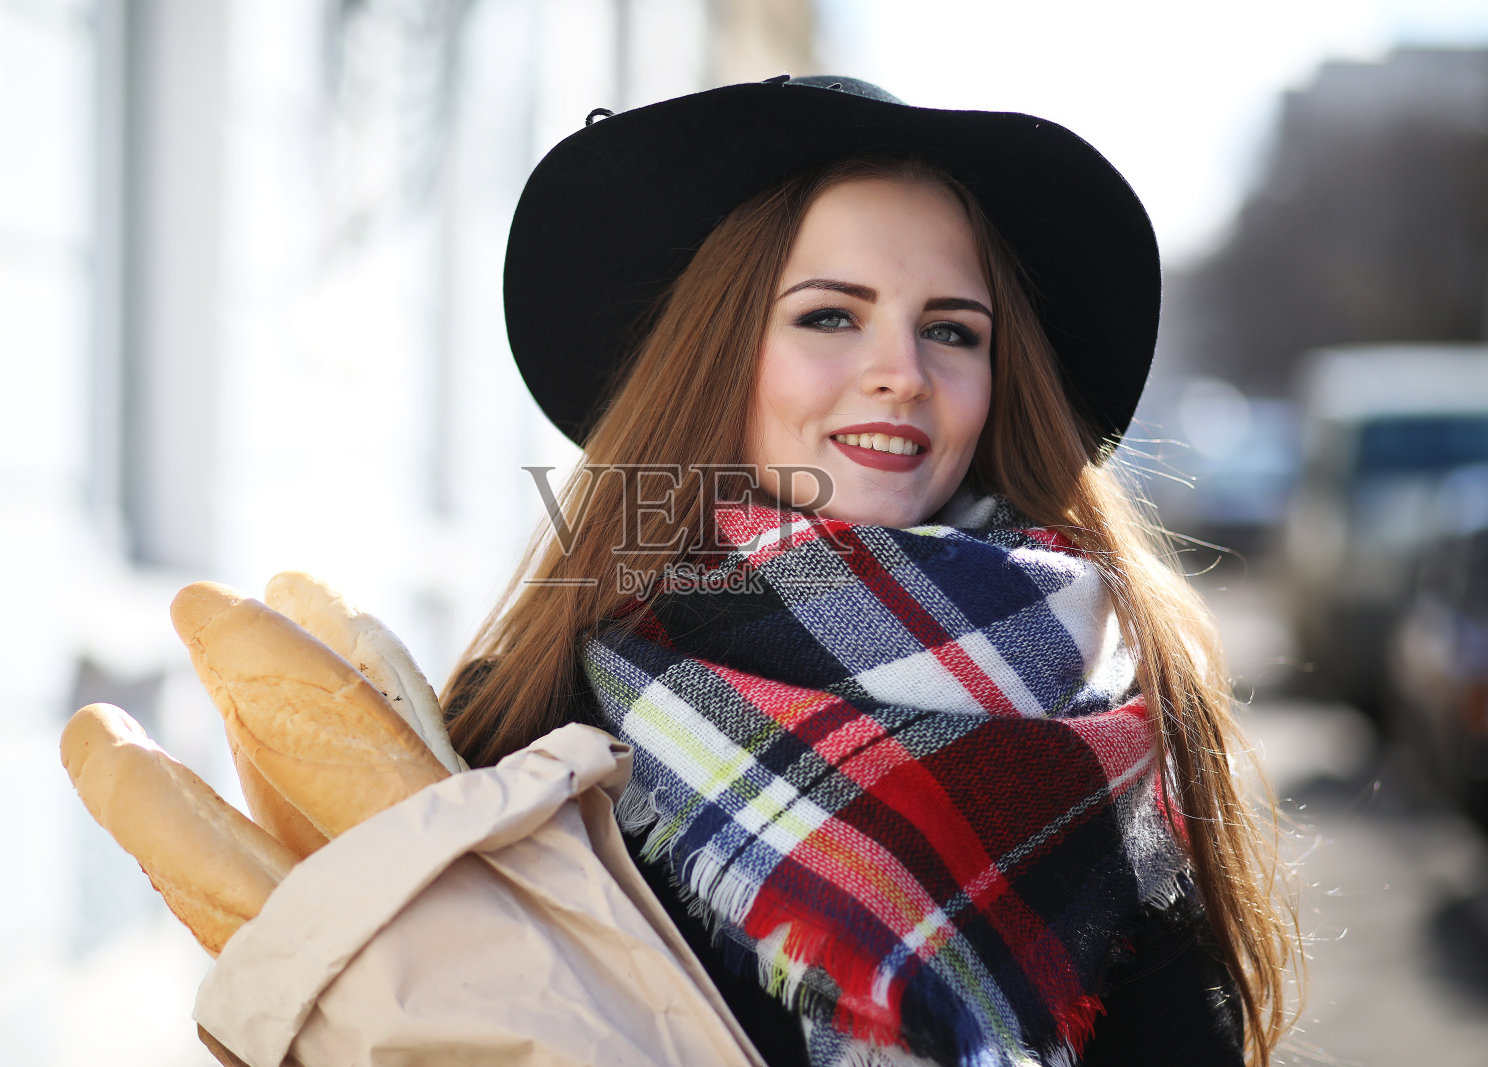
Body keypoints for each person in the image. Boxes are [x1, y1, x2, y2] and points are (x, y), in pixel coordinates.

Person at [442, 76, 1297, 1067]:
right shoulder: (536, 732)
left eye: (951, 330)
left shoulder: (1119, 711)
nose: (902, 369)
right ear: (716, 356)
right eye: (830, 316)